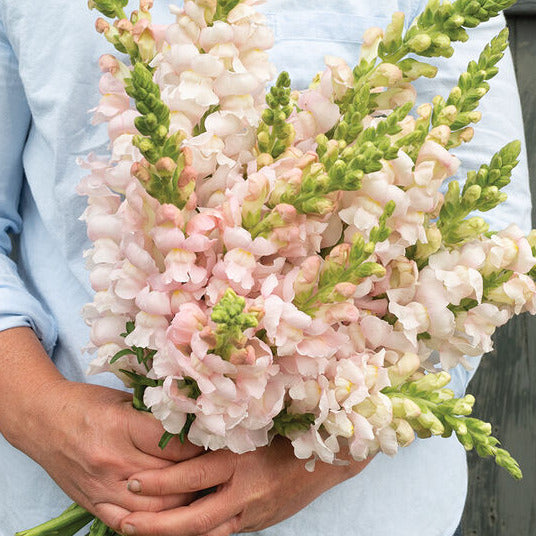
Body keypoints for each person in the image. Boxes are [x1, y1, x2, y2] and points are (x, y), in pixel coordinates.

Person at [0, 1, 530, 535]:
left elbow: (486, 257)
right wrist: (39, 412)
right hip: (60, 478)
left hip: (363, 515)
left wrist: (330, 443)